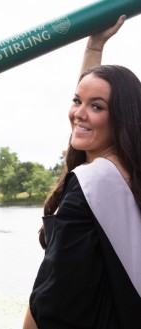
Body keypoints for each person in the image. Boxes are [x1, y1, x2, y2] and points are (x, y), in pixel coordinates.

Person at [23, 15, 141, 329]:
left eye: (97, 106)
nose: (79, 113)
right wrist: (95, 45)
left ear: (122, 117)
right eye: (77, 101)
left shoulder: (91, 186)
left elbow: (54, 293)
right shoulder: (129, 177)